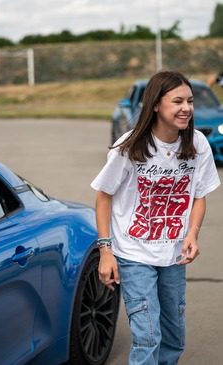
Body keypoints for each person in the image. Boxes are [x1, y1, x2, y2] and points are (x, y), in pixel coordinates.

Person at [90, 70, 221, 365]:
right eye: (177, 101)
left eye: (189, 101)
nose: (186, 107)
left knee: (174, 336)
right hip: (134, 253)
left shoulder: (198, 145)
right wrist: (105, 252)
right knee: (148, 335)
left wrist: (192, 232)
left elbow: (199, 196)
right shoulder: (131, 145)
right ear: (156, 106)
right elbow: (103, 196)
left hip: (173, 254)